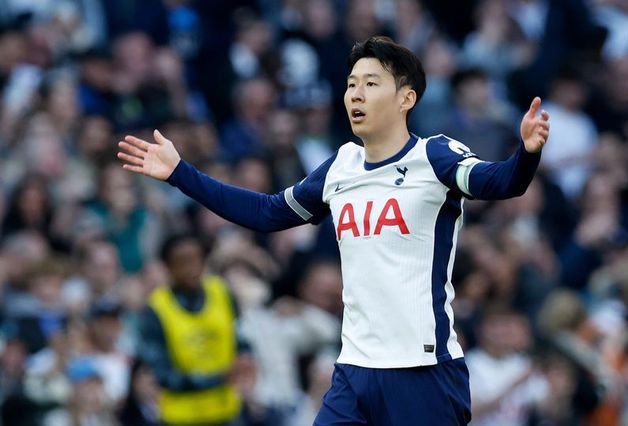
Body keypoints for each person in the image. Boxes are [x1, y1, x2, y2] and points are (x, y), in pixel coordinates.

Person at [118, 36, 550, 425]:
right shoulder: (340, 166)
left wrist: (526, 153)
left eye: (371, 84)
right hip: (354, 371)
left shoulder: (434, 157)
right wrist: (181, 173)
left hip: (423, 372)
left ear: (406, 98)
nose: (355, 94)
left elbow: (501, 182)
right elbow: (267, 213)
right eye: (351, 84)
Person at [137, 234, 250, 425]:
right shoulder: (156, 309)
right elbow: (162, 374)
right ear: (167, 267)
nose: (191, 267)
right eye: (181, 261)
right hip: (181, 418)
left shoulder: (221, 292)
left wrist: (246, 357)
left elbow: (240, 338)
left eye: (196, 259)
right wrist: (216, 379)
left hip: (227, 411)